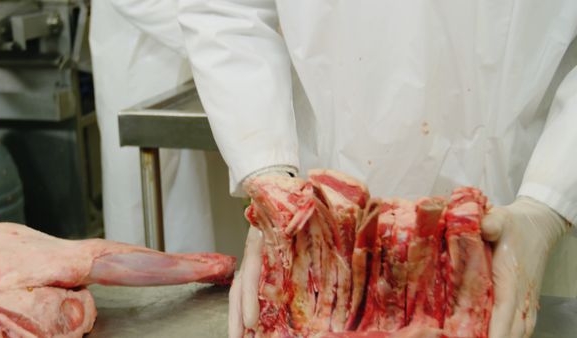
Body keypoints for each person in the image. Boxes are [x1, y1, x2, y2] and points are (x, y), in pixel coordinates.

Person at [176, 1, 577, 337]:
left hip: (515, 218)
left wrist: (549, 200)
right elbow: (226, 11)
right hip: (319, 231)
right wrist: (268, 173)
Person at [89, 0, 215, 253]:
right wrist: (214, 38)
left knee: (189, 203)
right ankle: (140, 292)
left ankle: (198, 286)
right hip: (136, 67)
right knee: (137, 212)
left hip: (187, 63)